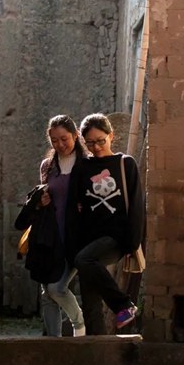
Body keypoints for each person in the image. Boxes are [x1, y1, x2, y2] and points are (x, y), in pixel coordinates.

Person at [67, 113, 145, 335]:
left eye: (101, 140)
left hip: (116, 238)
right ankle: (95, 347)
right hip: (89, 239)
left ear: (111, 136)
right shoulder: (82, 168)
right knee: (90, 301)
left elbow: (137, 205)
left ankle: (124, 305)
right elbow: (75, 206)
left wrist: (132, 242)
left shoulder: (125, 164)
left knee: (84, 259)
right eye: (90, 143)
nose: (96, 147)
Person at [17, 114, 86, 337]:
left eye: (64, 139)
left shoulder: (87, 165)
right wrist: (40, 203)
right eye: (54, 140)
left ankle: (78, 323)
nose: (60, 144)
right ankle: (53, 345)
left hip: (75, 238)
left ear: (75, 135)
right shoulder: (48, 167)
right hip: (49, 237)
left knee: (56, 288)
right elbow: (43, 199)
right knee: (47, 293)